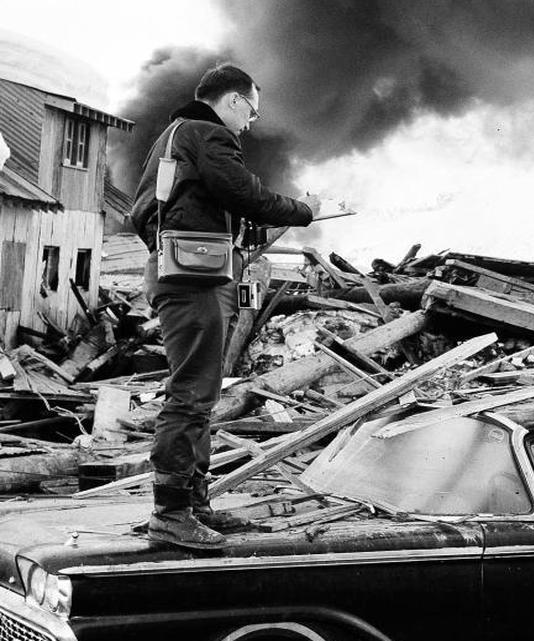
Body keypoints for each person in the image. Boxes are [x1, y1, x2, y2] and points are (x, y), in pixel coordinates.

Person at [130, 63, 317, 549]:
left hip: (181, 275)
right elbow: (243, 191)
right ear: (232, 101)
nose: (251, 122)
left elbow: (141, 213)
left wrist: (176, 244)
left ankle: (195, 505)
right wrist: (303, 211)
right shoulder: (208, 135)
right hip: (196, 282)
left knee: (201, 392)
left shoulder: (171, 138)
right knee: (192, 394)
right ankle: (170, 514)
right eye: (251, 112)